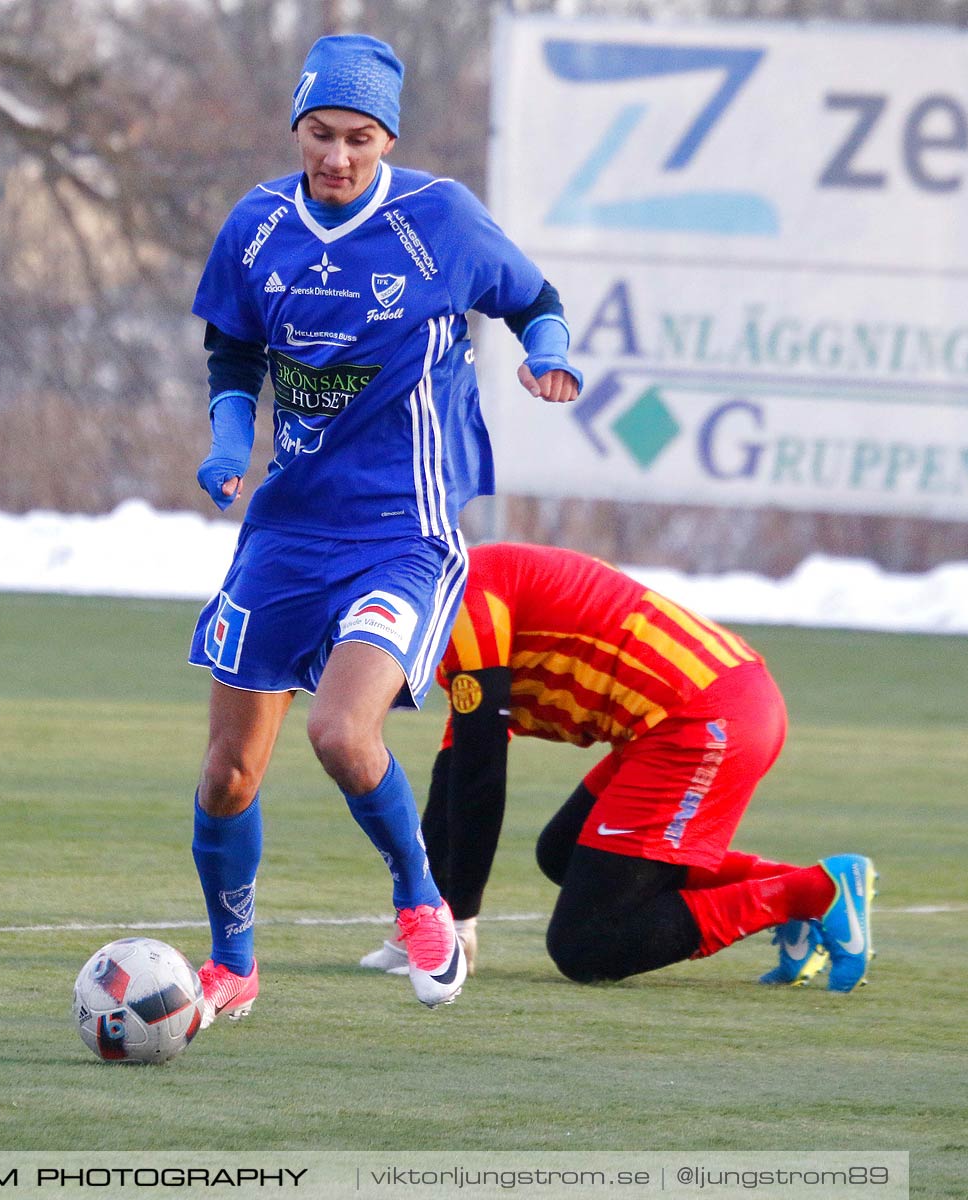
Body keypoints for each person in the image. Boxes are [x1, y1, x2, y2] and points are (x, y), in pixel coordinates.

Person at [185, 35, 583, 1025]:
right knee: (229, 775)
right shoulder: (255, 226)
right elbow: (231, 350)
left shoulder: (436, 220)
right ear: (297, 128)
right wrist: (232, 442)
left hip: (404, 531)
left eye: (359, 138)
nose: (338, 156)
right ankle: (232, 967)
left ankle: (421, 899)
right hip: (286, 532)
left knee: (337, 728)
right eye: (321, 133)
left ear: (387, 138)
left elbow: (535, 299)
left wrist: (548, 353)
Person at [357, 542, 877, 993]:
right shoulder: (452, 598)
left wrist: (460, 920)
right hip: (699, 711)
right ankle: (801, 887)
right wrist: (424, 920)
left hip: (706, 719)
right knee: (563, 853)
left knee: (586, 944)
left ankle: (813, 893)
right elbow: (453, 776)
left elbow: (480, 778)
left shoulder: (467, 607)